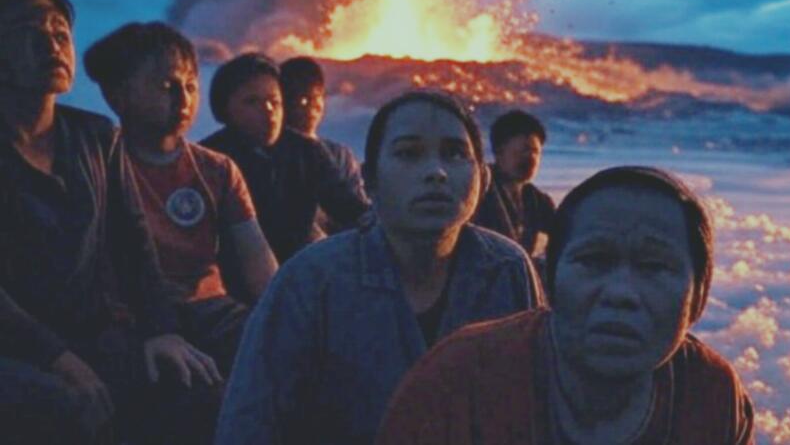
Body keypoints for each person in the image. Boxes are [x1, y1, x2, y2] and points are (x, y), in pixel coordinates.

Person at [216, 90, 545, 445]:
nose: (435, 172)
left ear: (483, 178)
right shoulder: (311, 280)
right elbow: (251, 422)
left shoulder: (507, 269)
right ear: (369, 180)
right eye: (408, 153)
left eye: (454, 153)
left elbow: (536, 407)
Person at [0, 0, 222, 444]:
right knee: (60, 410)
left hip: (94, 335)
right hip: (16, 348)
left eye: (60, 32)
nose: (52, 45)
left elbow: (133, 247)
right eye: (28, 32)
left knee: (197, 385)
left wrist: (161, 331)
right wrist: (57, 358)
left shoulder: (98, 138)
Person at [376, 166, 755, 445]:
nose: (620, 292)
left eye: (654, 266)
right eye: (594, 260)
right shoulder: (459, 379)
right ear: (551, 281)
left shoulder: (711, 395)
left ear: (699, 297)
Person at [84, 22, 278, 373]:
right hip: (128, 317)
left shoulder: (217, 170)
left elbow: (259, 265)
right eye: (166, 86)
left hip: (209, 310)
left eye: (190, 86)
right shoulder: (95, 163)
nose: (184, 99)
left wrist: (286, 319)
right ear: (117, 95)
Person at [200, 53, 370, 263]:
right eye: (252, 101)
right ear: (225, 109)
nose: (268, 110)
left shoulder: (307, 152)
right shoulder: (208, 160)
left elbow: (349, 208)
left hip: (301, 273)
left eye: (274, 101)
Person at [279, 55, 366, 234]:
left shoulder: (340, 156)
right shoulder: (270, 155)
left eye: (315, 97)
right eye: (300, 98)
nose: (309, 106)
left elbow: (357, 215)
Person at [473, 109, 556, 260]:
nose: (530, 158)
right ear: (499, 151)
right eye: (523, 150)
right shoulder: (476, 193)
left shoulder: (537, 201)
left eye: (535, 151)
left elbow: (564, 232)